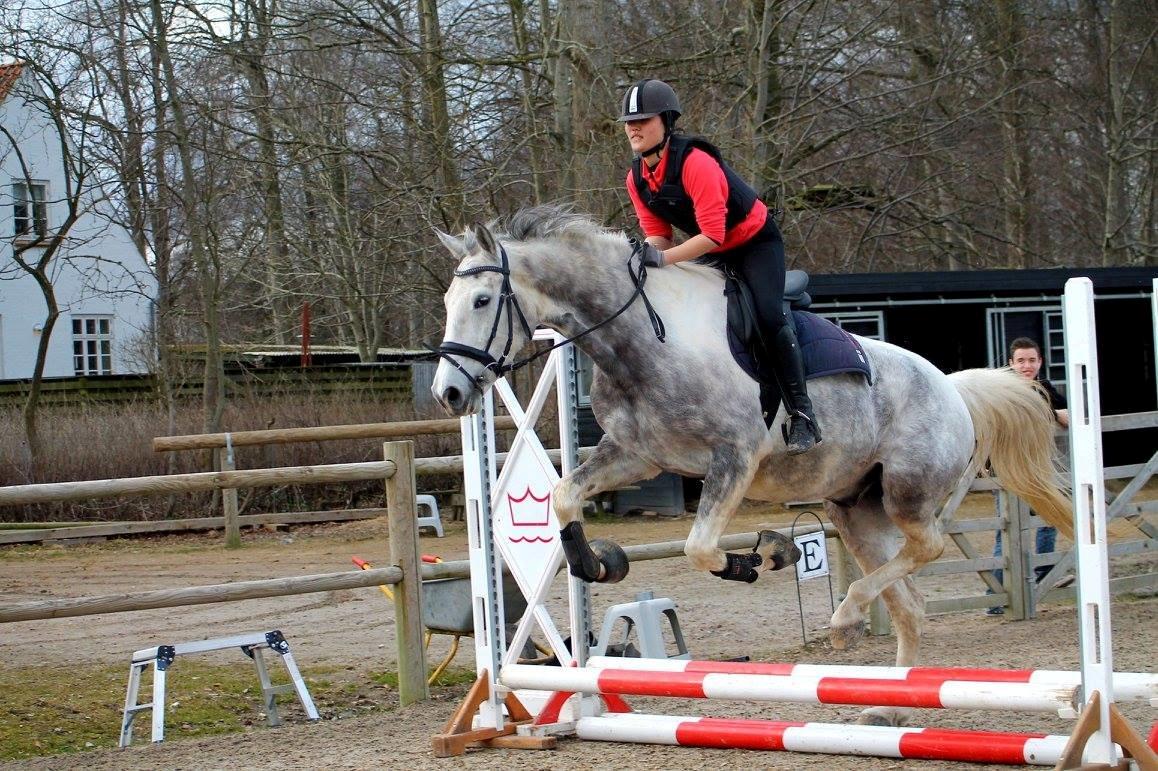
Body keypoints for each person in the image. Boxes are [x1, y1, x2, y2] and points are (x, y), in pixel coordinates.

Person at [618, 78, 821, 455]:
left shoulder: (696, 162)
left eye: (643, 119)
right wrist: (642, 260)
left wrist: (661, 259)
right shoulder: (637, 178)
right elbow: (658, 237)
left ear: (666, 121)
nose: (633, 127)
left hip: (754, 243)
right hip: (711, 248)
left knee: (767, 317)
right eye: (629, 121)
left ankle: (802, 413)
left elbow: (710, 235)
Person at [987, 336, 1071, 615]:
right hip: (1009, 470)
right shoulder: (1004, 389)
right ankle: (995, 596)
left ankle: (1045, 575)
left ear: (1040, 362)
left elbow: (1067, 412)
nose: (1027, 365)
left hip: (1037, 469)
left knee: (1048, 521)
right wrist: (1052, 412)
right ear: (1011, 363)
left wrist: (1058, 412)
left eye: (1032, 360)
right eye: (1021, 360)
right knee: (1007, 531)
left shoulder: (1044, 386)